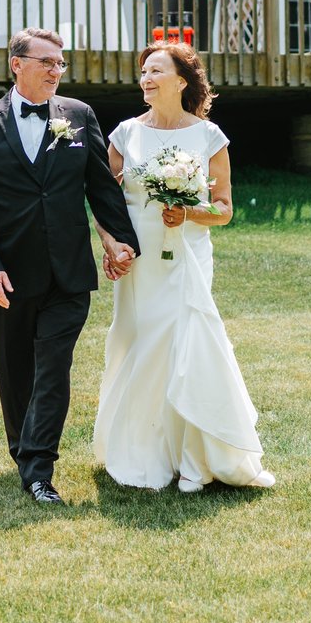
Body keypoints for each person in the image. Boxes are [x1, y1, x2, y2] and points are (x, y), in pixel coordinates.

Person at [0, 28, 139, 506]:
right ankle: (24, 452)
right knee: (16, 374)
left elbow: (101, 185)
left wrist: (123, 242)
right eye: (47, 63)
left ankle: (39, 470)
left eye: (61, 64)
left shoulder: (78, 116)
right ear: (16, 65)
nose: (57, 71)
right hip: (9, 277)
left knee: (53, 368)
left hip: (67, 274)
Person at [94, 41, 276, 493]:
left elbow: (225, 209)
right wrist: (111, 245)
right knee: (141, 341)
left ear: (181, 80)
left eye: (156, 70)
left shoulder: (209, 137)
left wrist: (188, 211)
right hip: (139, 258)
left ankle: (197, 456)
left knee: (186, 342)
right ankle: (147, 450)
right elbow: (104, 202)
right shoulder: (124, 135)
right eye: (143, 72)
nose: (147, 79)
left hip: (189, 255)